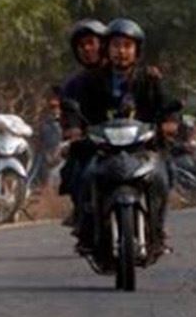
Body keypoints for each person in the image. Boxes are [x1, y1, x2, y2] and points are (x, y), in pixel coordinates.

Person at [61, 18, 171, 253]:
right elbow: (74, 109)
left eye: (127, 46)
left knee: (163, 174)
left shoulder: (148, 79)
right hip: (102, 147)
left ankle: (158, 229)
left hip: (141, 146)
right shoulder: (88, 82)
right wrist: (74, 130)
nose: (121, 52)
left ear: (136, 50)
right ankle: (86, 225)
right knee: (82, 174)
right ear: (108, 49)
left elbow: (165, 107)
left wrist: (168, 124)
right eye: (116, 46)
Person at [56, 19, 108, 207]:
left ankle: (156, 222)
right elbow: (68, 114)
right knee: (77, 173)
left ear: (103, 44)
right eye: (81, 45)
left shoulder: (125, 75)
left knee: (161, 169)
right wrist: (72, 131)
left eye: (91, 43)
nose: (86, 49)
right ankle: (82, 216)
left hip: (130, 142)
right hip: (93, 145)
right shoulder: (73, 85)